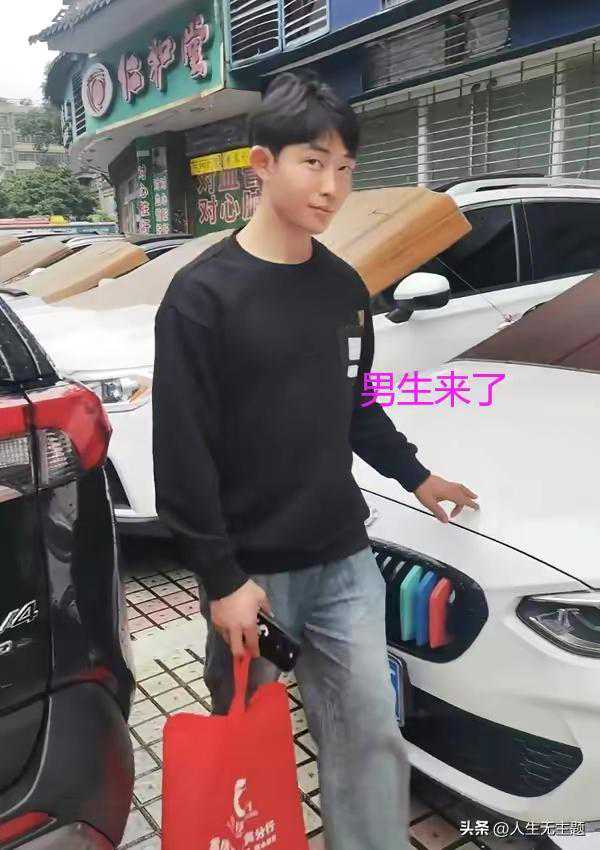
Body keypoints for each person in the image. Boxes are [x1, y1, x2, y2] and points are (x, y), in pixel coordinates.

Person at [152, 69, 479, 850]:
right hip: (254, 584)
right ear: (261, 164)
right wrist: (221, 579)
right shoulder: (202, 297)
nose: (332, 186)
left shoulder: (343, 289)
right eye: (312, 162)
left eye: (345, 168)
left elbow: (354, 403)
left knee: (369, 736)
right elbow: (182, 450)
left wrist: (417, 476)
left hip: (343, 565)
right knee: (246, 740)